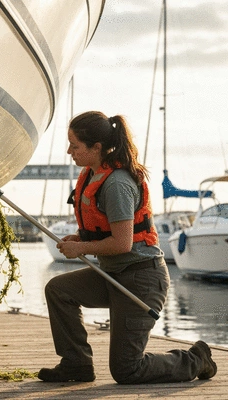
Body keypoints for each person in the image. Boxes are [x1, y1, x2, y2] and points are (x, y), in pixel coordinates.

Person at [38, 111, 217, 384]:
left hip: (141, 280)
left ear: (96, 148)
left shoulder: (117, 184)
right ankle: (76, 364)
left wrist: (82, 249)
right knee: (59, 290)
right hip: (114, 275)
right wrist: (79, 237)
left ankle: (196, 359)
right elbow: (106, 229)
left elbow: (123, 243)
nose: (69, 151)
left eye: (74, 146)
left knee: (127, 370)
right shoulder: (91, 175)